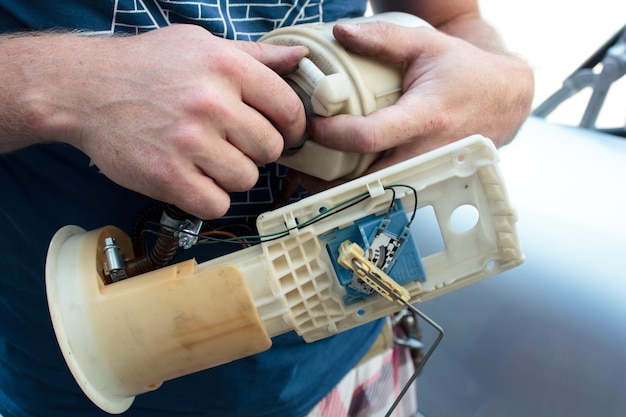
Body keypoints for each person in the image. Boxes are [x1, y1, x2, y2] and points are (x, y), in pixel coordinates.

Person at [0, 1, 534, 416]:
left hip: (354, 359)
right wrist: (70, 86)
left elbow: (454, 18)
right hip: (81, 387)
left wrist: (503, 81)